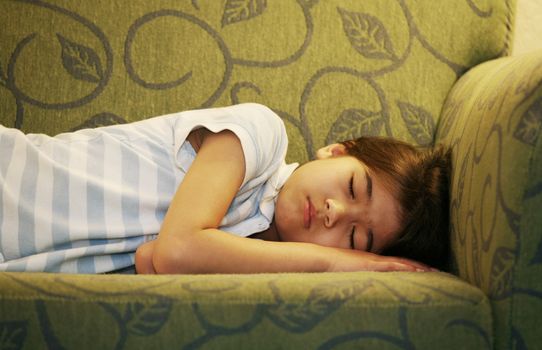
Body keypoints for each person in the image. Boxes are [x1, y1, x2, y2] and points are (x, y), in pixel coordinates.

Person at [0, 103, 450, 274]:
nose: (334, 212)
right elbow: (175, 250)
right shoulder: (261, 136)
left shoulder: (251, 260)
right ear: (336, 149)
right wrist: (337, 260)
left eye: (356, 236)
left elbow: (149, 260)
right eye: (353, 187)